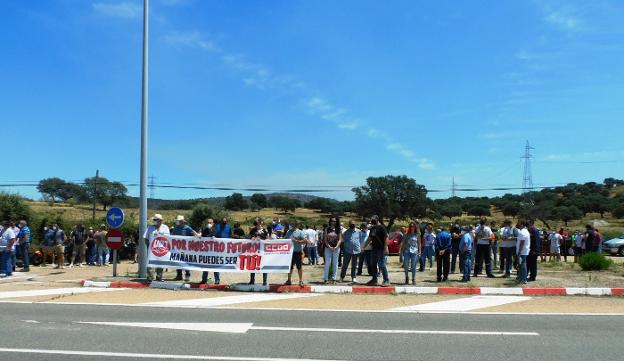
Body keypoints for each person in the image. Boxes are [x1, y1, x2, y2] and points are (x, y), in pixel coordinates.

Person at [363, 215, 390, 287]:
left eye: (373, 220)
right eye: (371, 220)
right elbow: (369, 238)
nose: (372, 221)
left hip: (381, 249)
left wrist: (385, 248)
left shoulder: (382, 227)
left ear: (377, 220)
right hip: (374, 249)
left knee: (382, 264)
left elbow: (386, 237)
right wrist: (364, 247)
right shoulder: (372, 228)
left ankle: (386, 280)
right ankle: (374, 280)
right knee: (373, 264)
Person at [142, 214, 170, 281]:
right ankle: (150, 277)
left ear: (160, 220)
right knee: (150, 264)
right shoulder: (150, 227)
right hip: (152, 250)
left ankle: (159, 277)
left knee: (160, 264)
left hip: (162, 250)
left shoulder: (165, 228)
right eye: (153, 220)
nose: (154, 221)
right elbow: (145, 238)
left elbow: (168, 238)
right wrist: (148, 246)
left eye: (155, 220)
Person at [172, 215, 199, 282]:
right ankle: (179, 275)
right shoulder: (176, 228)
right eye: (177, 221)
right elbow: (172, 236)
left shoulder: (187, 228)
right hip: (177, 248)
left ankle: (187, 275)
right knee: (178, 261)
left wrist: (197, 236)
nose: (177, 222)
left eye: (178, 221)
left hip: (186, 249)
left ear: (182, 222)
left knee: (186, 262)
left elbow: (194, 233)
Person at [248, 218, 268, 286]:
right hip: (254, 250)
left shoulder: (264, 230)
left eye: (257, 222)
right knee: (253, 264)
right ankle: (252, 280)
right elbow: (249, 236)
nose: (256, 224)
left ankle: (264, 281)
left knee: (264, 265)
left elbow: (267, 238)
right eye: (255, 223)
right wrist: (252, 238)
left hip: (263, 250)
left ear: (260, 223)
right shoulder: (253, 230)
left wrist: (261, 239)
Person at [322, 216, 342, 284]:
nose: (333, 222)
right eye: (332, 221)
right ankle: (325, 278)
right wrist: (329, 246)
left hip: (336, 248)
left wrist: (336, 246)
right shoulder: (327, 229)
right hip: (328, 248)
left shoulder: (338, 229)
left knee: (335, 263)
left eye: (335, 221)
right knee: (327, 263)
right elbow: (325, 239)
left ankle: (334, 279)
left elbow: (340, 239)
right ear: (330, 221)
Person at [200, 218, 217, 285]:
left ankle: (217, 280)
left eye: (210, 222)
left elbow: (216, 235)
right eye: (208, 222)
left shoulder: (215, 229)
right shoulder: (205, 230)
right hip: (206, 251)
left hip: (214, 251)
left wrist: (212, 232)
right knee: (205, 266)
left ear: (213, 223)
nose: (209, 223)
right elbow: (202, 237)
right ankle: (204, 280)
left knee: (215, 266)